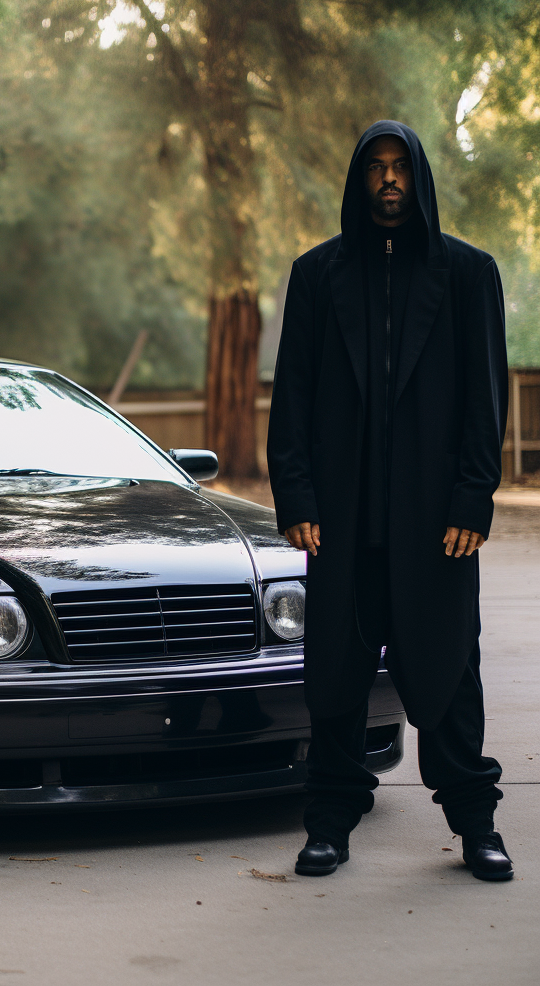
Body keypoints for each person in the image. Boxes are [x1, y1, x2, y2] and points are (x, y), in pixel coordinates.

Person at [267, 120, 511, 881]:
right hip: (339, 527)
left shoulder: (468, 274)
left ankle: (476, 826)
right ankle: (330, 823)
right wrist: (296, 495)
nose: (388, 180)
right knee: (334, 678)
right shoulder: (316, 276)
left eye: (399, 167)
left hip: (437, 529)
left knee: (448, 676)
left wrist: (473, 499)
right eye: (375, 167)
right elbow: (293, 398)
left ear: (420, 176)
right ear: (358, 179)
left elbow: (486, 398)